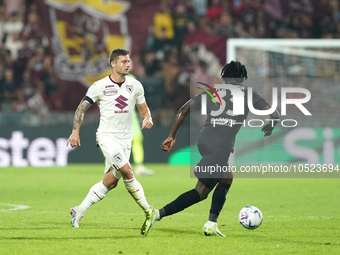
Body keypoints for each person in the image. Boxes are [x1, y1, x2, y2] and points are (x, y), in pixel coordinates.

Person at [142, 60, 280, 236]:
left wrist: (172, 135)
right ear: (242, 78)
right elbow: (274, 114)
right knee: (200, 192)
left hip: (204, 140)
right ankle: (161, 215)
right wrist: (270, 126)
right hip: (220, 145)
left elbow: (184, 109)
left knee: (223, 179)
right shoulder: (249, 94)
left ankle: (210, 222)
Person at [66, 48, 155, 235]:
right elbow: (81, 109)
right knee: (127, 170)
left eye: (128, 61)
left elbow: (144, 109)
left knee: (110, 182)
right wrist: (75, 132)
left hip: (125, 140)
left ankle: (79, 210)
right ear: (113, 64)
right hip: (106, 137)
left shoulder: (135, 85)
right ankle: (149, 210)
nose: (128, 64)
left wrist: (148, 118)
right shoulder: (99, 86)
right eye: (123, 61)